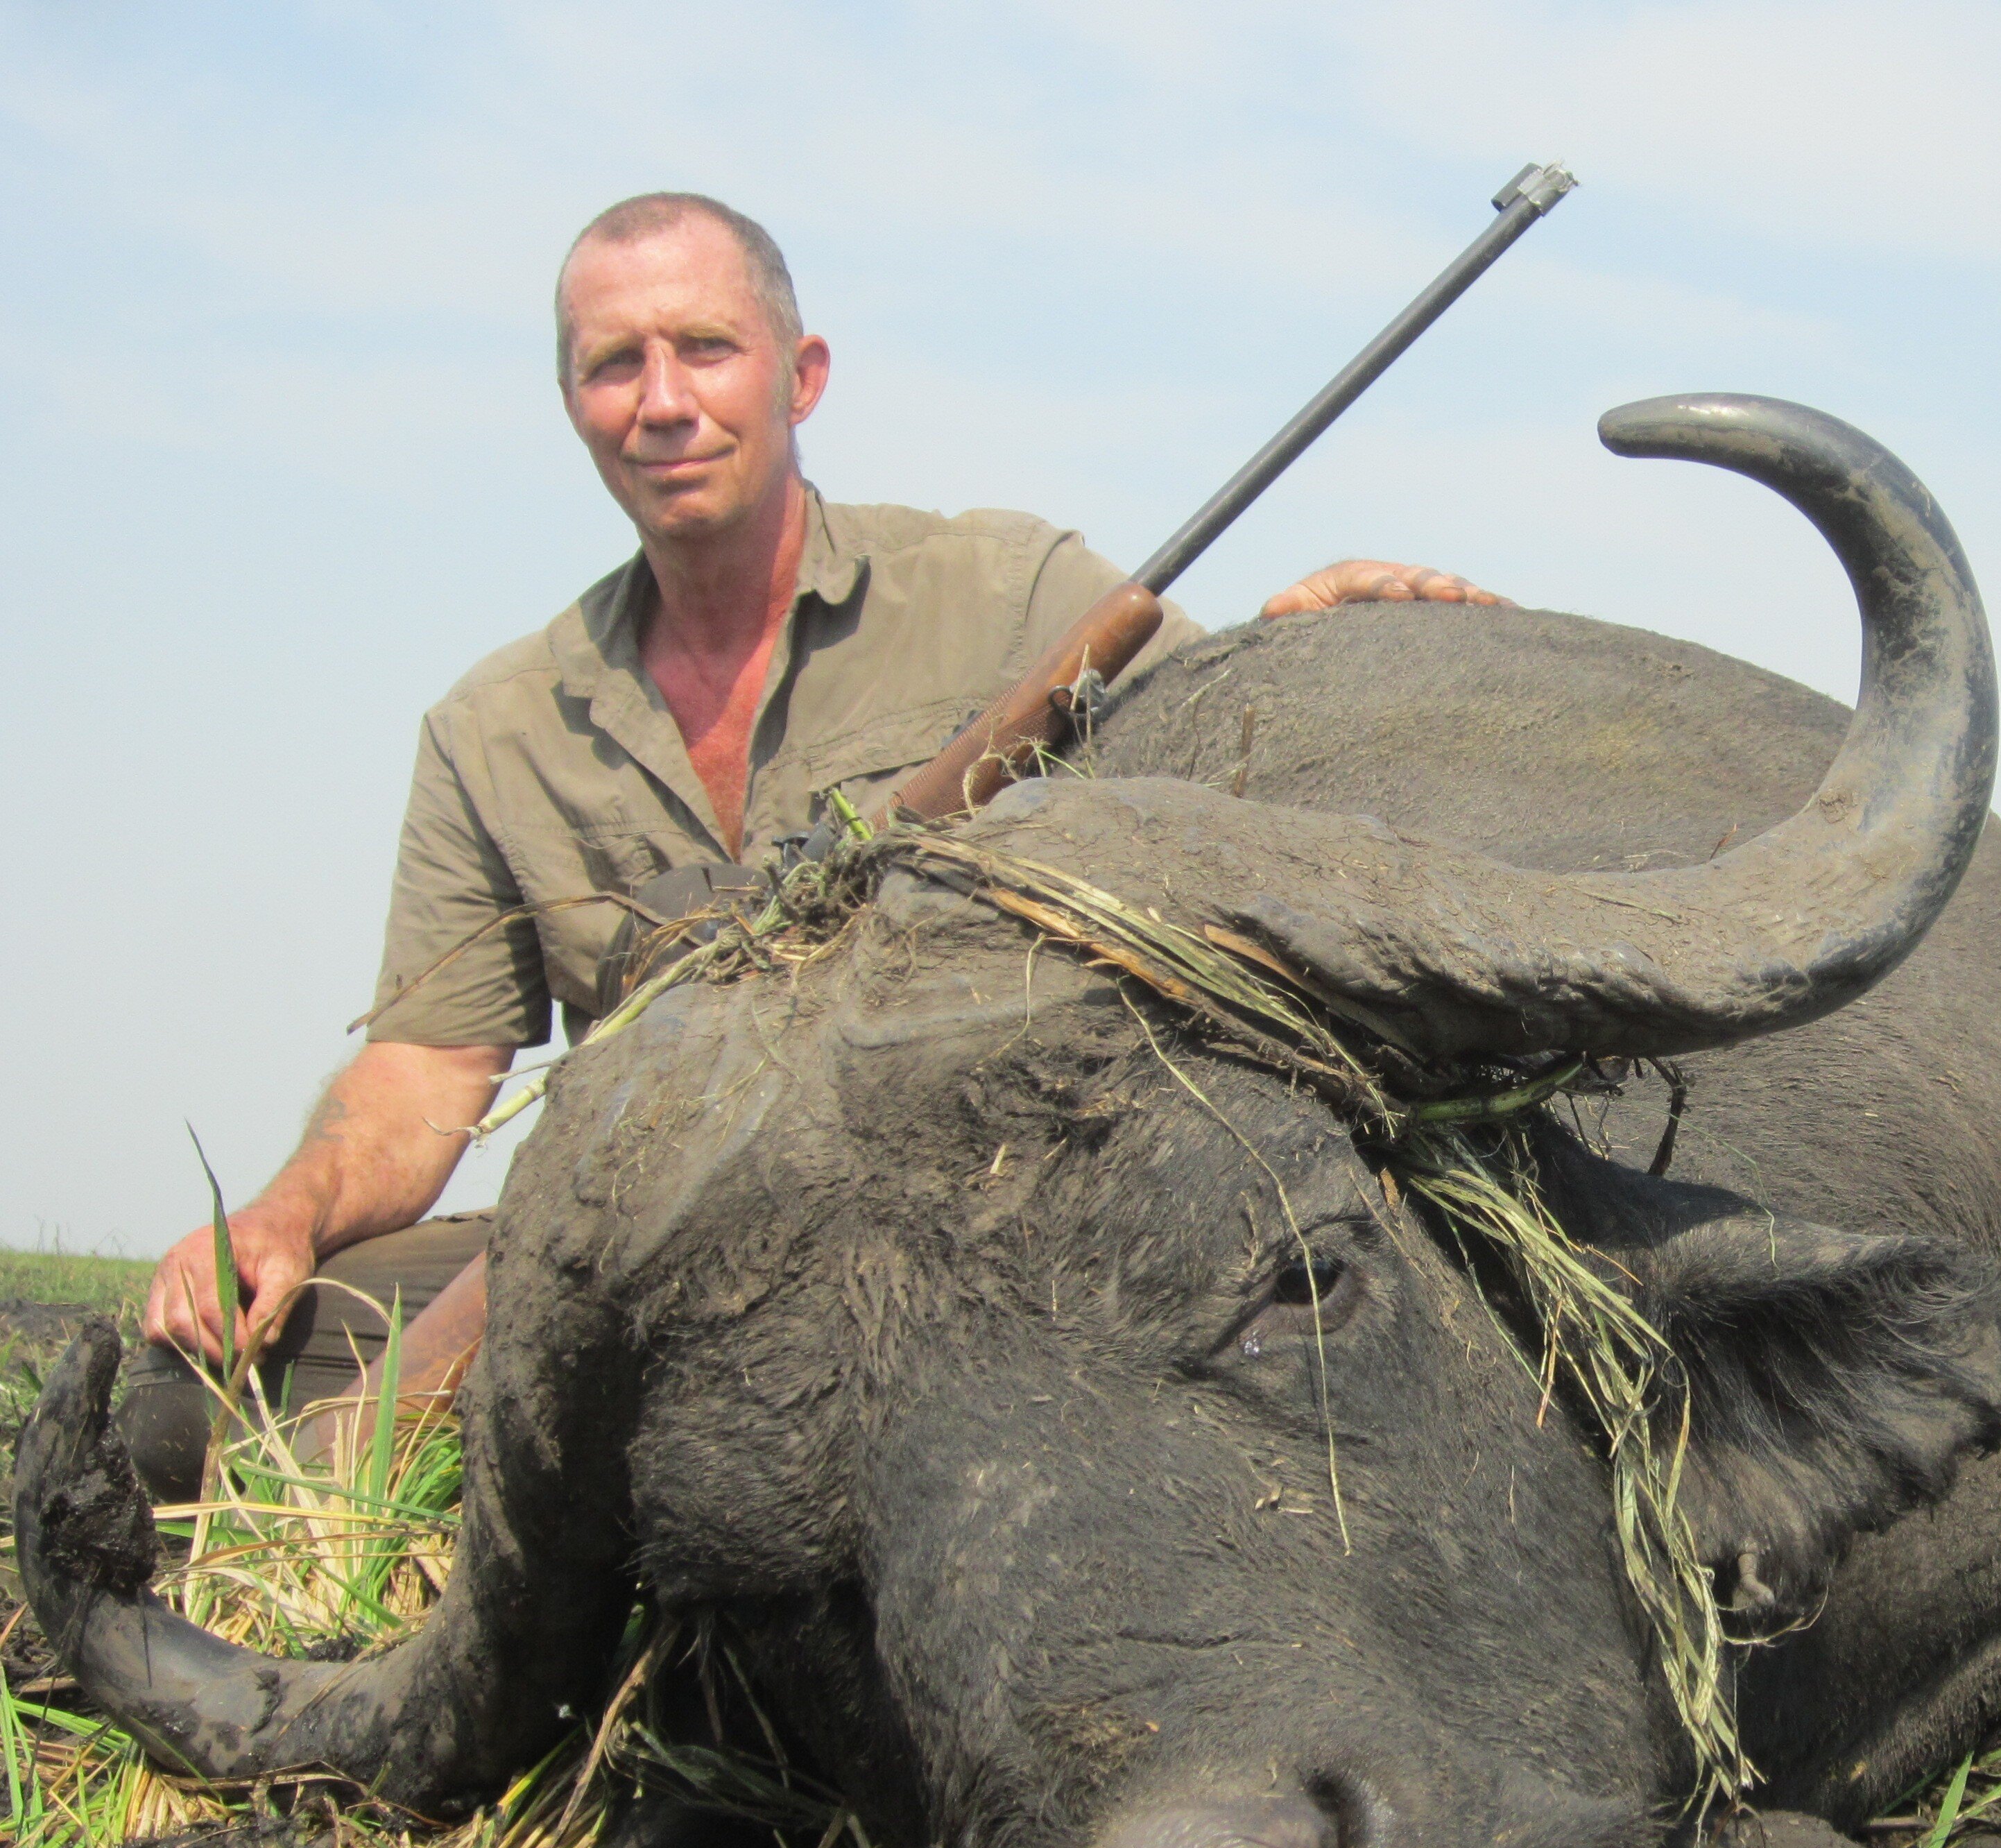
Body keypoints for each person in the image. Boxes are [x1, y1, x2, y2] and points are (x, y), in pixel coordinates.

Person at [128, 191, 1498, 1485]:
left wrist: (1284, 650)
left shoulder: (1009, 592)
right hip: (623, 1256)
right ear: (571, 406)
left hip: (982, 1227)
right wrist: (287, 1213)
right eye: (617, 366)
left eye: (707, 350)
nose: (664, 401)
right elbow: (427, 1071)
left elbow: (1212, 770)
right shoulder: (495, 727)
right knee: (167, 1405)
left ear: (802, 375)